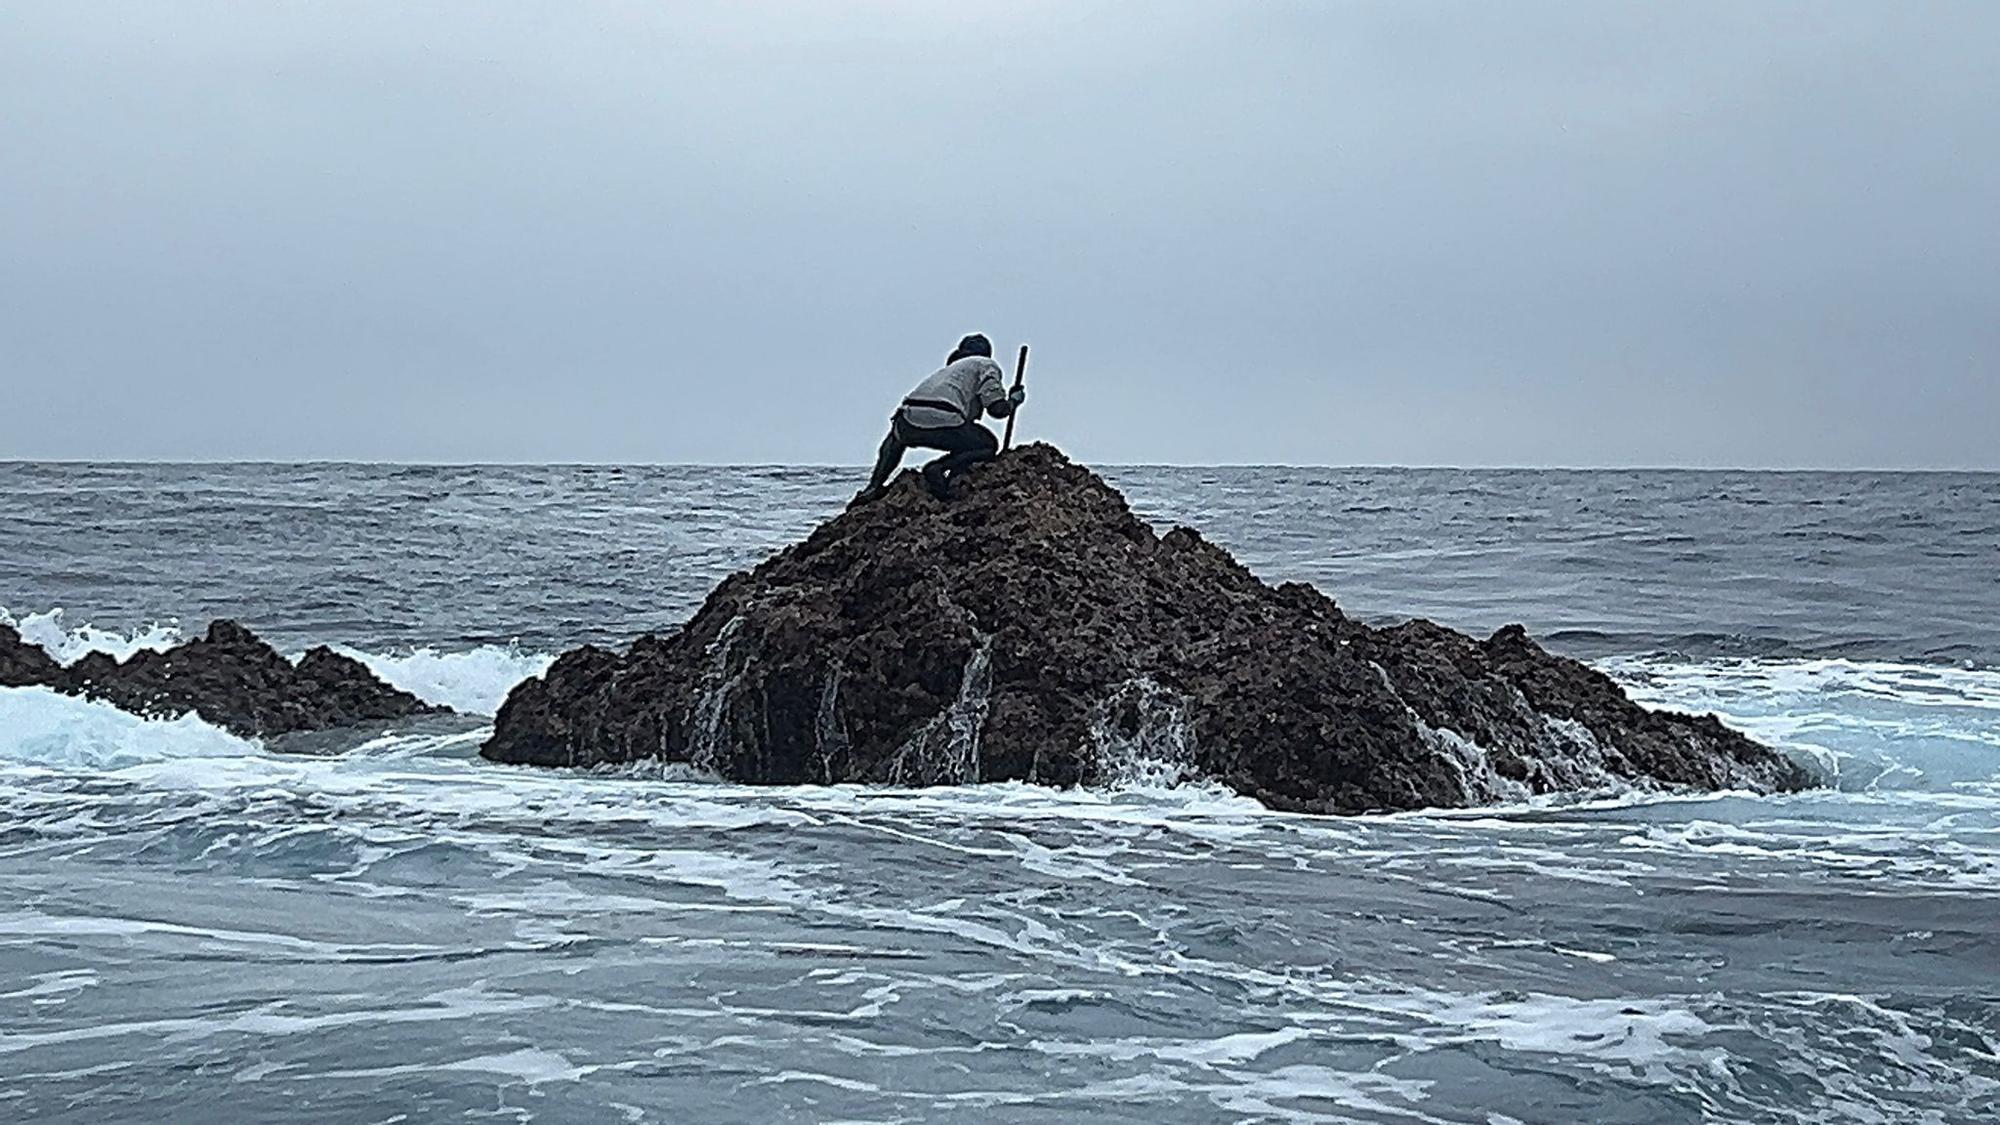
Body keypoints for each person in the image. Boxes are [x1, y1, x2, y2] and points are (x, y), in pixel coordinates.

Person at [854, 333, 1025, 503]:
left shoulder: (947, 371)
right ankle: (939, 467)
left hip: (906, 420)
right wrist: (1013, 401)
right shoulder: (986, 364)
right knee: (987, 444)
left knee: (896, 438)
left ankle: (874, 486)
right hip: (944, 418)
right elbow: (997, 409)